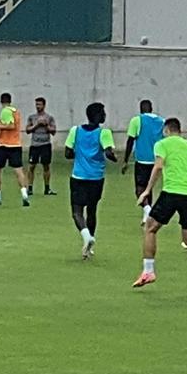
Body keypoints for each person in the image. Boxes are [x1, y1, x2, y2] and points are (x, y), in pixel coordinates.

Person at [132, 118, 187, 291]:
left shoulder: (162, 144)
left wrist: (147, 191)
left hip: (171, 193)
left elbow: (158, 166)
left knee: (150, 228)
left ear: (166, 130)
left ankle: (148, 271)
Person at [63, 102, 118, 260]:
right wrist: (114, 158)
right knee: (92, 209)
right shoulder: (104, 133)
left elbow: (67, 153)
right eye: (103, 112)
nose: (105, 115)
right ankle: (89, 246)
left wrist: (80, 156)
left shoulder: (75, 131)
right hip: (96, 177)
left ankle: (86, 236)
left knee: (77, 211)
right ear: (97, 115)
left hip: (79, 176)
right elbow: (108, 152)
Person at [123, 99, 165, 224]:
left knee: (139, 189)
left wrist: (125, 160)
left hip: (142, 160)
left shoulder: (137, 120)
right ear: (151, 108)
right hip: (156, 160)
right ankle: (147, 216)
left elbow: (130, 140)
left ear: (141, 109)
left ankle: (147, 209)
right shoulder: (161, 121)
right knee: (149, 188)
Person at [0, 92, 30, 207]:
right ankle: (24, 193)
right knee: (18, 170)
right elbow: (9, 123)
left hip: (4, 145)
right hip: (16, 144)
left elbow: (11, 126)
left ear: (1, 101)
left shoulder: (5, 111)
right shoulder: (15, 111)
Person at [24, 96, 57, 196]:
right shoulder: (32, 117)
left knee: (46, 166)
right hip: (35, 145)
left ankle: (47, 188)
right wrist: (37, 125)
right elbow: (27, 130)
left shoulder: (49, 117)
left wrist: (46, 125)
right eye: (36, 104)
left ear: (44, 105)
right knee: (31, 166)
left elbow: (53, 131)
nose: (38, 106)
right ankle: (30, 188)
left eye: (39, 104)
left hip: (45, 145)